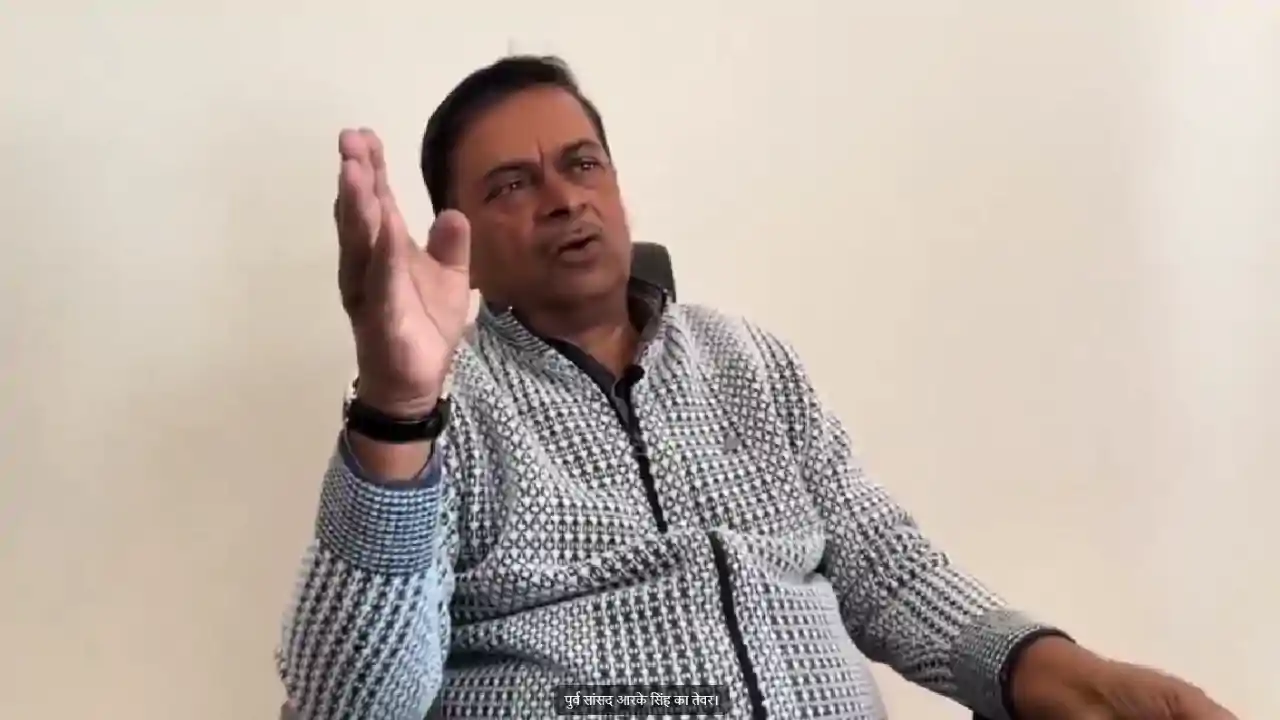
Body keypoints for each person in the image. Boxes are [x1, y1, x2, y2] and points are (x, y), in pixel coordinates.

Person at [276, 56, 1235, 720]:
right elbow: (348, 706)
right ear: (458, 243)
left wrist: (1057, 670)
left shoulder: (748, 361)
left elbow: (888, 569)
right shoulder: (441, 411)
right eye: (512, 186)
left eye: (582, 165)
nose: (566, 199)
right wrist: (398, 406)